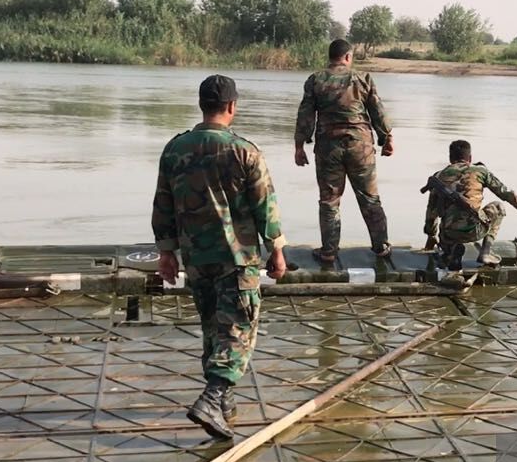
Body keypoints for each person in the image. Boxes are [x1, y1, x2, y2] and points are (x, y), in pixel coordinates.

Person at [152, 74, 288, 441]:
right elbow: (265, 206)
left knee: (214, 328)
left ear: (201, 105)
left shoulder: (175, 149)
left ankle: (224, 405)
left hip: (197, 258)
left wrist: (167, 253)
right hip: (236, 258)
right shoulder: (244, 151)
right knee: (239, 330)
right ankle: (213, 398)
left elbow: (163, 204)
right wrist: (276, 249)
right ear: (231, 106)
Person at [295, 38, 394, 264]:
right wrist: (387, 138)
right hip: (361, 146)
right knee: (370, 198)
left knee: (329, 200)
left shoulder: (315, 80)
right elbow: (378, 111)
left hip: (329, 148)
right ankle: (381, 247)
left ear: (330, 57)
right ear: (348, 57)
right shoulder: (362, 78)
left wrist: (299, 146)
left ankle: (329, 251)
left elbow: (305, 115)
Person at [421, 140, 517, 269]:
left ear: (450, 158)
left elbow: (431, 211)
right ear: (470, 158)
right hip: (475, 229)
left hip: (448, 233)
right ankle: (485, 253)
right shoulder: (480, 172)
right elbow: (509, 195)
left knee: (448, 233)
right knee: (498, 206)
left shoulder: (438, 176)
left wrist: (431, 235)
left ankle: (452, 251)